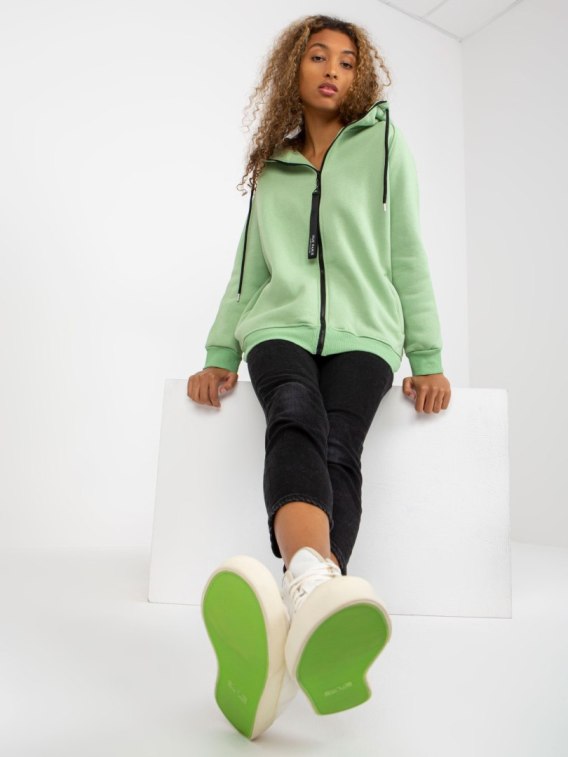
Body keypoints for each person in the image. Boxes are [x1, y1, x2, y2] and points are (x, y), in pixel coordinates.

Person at [188, 14, 452, 741]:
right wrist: (219, 350)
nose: (333, 68)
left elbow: (407, 252)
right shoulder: (272, 166)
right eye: (317, 56)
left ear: (360, 77)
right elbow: (248, 270)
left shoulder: (386, 144)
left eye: (347, 60)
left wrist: (426, 355)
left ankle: (293, 620)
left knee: (339, 446)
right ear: (293, 70)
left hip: (367, 330)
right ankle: (313, 587)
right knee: (294, 412)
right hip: (279, 325)